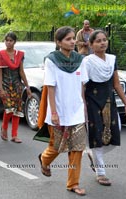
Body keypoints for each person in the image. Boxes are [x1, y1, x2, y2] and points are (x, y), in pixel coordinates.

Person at [38, 26, 87, 196]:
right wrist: (53, 112)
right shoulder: (51, 60)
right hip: (59, 110)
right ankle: (44, 160)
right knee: (58, 147)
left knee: (77, 148)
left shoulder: (80, 60)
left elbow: (82, 85)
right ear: (58, 42)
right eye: (68, 39)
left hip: (77, 111)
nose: (73, 41)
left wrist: (83, 107)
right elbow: (50, 86)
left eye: (74, 38)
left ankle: (73, 183)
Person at [83, 30, 126, 186]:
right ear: (91, 45)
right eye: (98, 41)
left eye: (104, 40)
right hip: (92, 102)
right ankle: (101, 172)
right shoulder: (87, 62)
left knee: (114, 134)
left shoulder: (111, 60)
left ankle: (92, 154)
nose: (103, 43)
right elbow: (82, 86)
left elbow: (116, 84)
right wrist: (82, 105)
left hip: (109, 102)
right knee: (97, 135)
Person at [0, 32, 32, 143]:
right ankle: (4, 128)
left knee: (17, 109)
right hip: (5, 85)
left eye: (11, 40)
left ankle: (14, 135)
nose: (8, 42)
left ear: (14, 42)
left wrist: (27, 86)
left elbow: (21, 71)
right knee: (9, 108)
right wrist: (0, 87)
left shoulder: (19, 54)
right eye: (6, 40)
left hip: (17, 85)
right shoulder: (0, 54)